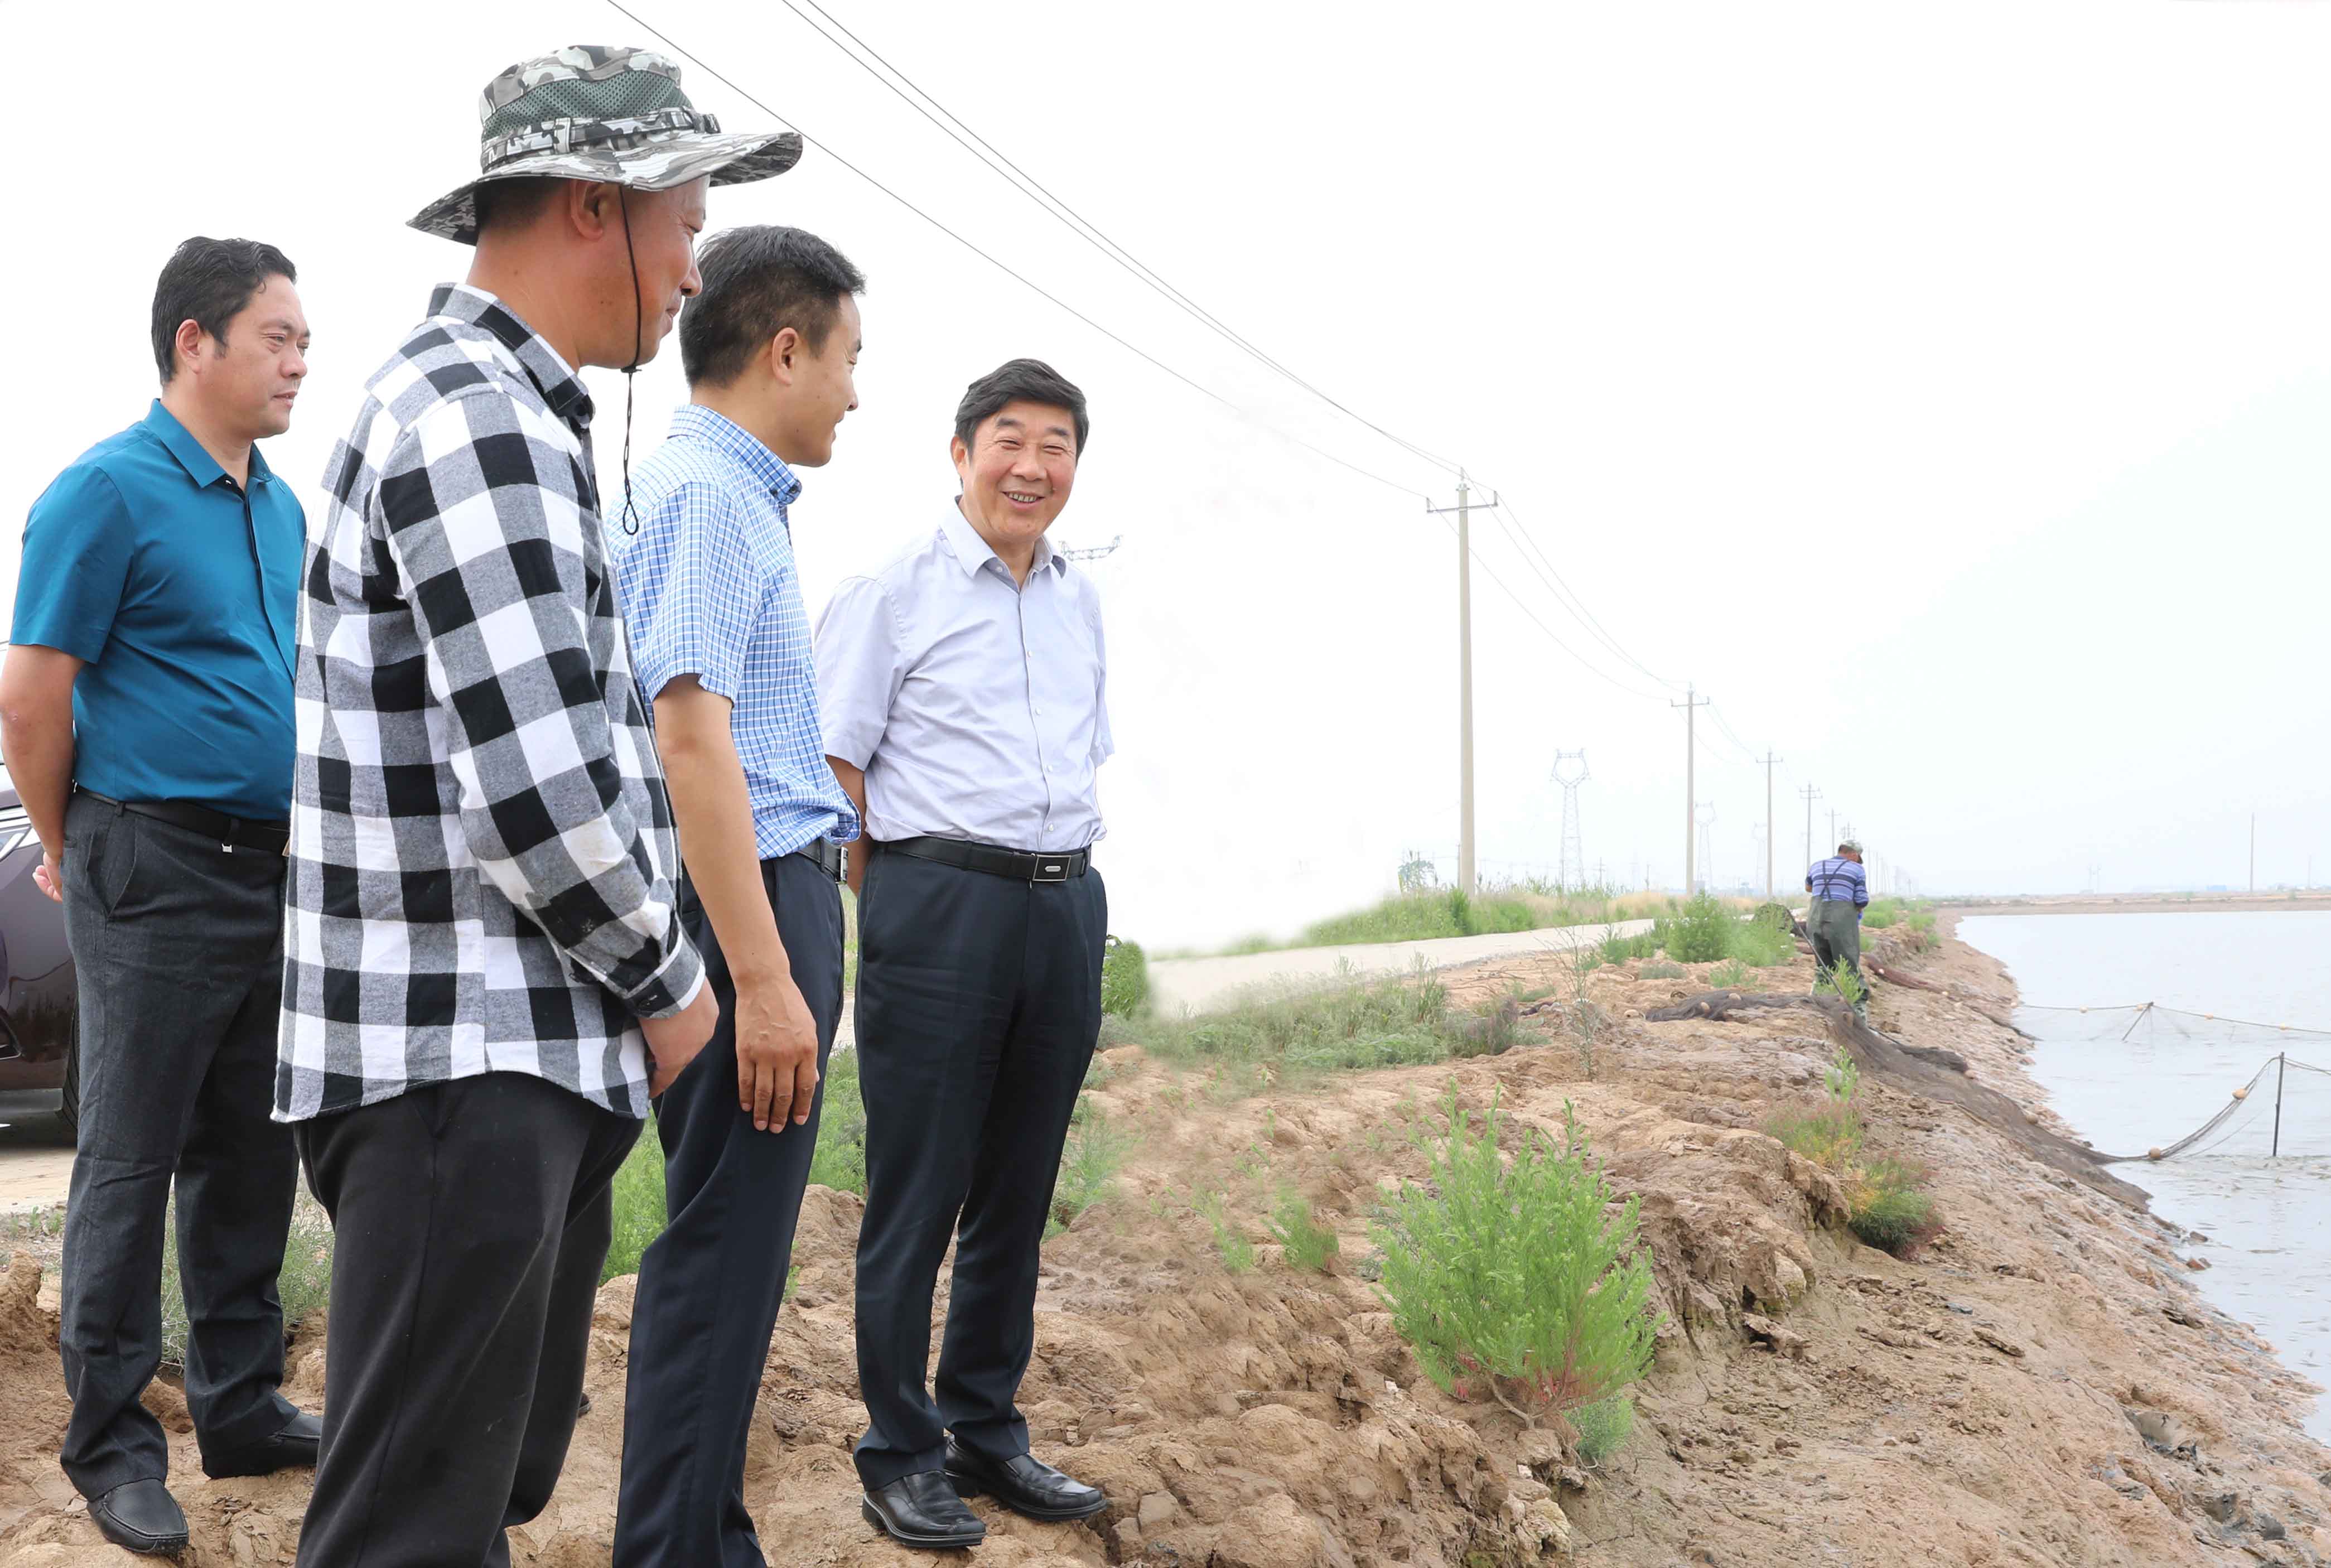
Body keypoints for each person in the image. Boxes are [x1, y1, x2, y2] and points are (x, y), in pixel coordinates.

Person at [277, 46, 799, 1567]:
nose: (693, 270)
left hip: (494, 1057)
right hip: (463, 1057)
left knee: (469, 1499)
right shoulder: (478, 419)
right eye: (686, 226)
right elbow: (537, 789)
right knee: (412, 1528)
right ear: (593, 206)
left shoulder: (505, 410)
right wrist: (678, 985)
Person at [0, 237, 318, 1557]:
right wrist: (71, 841)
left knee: (250, 1151)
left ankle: (241, 1405)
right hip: (153, 859)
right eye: (278, 337)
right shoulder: (106, 491)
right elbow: (32, 695)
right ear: (196, 340)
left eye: (305, 342)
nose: (299, 362)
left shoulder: (279, 507)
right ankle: (112, 1445)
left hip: (272, 867)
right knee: (128, 1158)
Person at [817, 359, 1113, 1551]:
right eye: (1009, 440)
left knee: (1016, 1190)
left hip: (1063, 902)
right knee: (918, 1191)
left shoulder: (1078, 600)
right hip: (936, 903)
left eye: (1056, 445)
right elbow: (835, 770)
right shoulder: (891, 591)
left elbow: (1081, 754)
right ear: (960, 453)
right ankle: (899, 1450)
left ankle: (983, 1427)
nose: (1031, 467)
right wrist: (898, 904)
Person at [609, 225, 865, 1568]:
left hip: (754, 893)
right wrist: (763, 977)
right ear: (784, 351)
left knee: (735, 1246)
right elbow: (689, 735)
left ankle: (704, 1532)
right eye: (849, 358)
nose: (856, 393)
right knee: (721, 1248)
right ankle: (673, 1547)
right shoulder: (708, 497)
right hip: (745, 899)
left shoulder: (716, 492)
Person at [1806, 839, 1870, 1017]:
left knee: (1823, 967)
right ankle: (1859, 1015)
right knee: (1849, 967)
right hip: (1841, 924)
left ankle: (1817, 1008)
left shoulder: (1817, 866)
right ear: (1854, 855)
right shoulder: (1857, 869)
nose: (1858, 862)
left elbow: (1809, 887)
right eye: (1858, 858)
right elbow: (1862, 900)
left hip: (1815, 920)